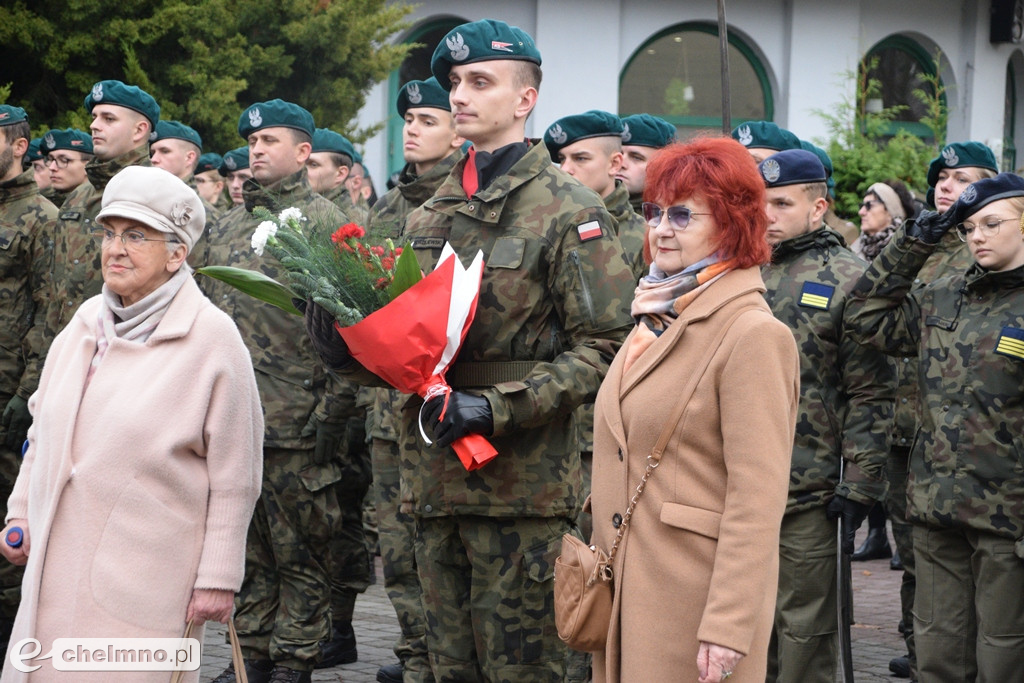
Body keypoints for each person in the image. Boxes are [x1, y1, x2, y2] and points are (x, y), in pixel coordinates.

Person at [306, 19, 636, 681]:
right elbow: (408, 349)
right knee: (445, 666)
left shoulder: (570, 208)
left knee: (525, 668)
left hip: (523, 492)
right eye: (455, 82)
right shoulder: (428, 214)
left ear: (524, 100)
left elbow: (606, 348)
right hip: (432, 485)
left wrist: (495, 407)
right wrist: (342, 342)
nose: (459, 95)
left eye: (479, 81)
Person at [0, 165, 264, 682]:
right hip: (54, 570)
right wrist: (20, 513)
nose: (115, 248)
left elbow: (238, 474)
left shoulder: (212, 338)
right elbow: (41, 431)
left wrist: (218, 577)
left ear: (176, 254)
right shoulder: (81, 324)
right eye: (110, 233)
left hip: (147, 581)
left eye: (136, 236)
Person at [589, 136, 799, 683]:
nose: (660, 228)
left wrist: (730, 624)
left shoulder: (752, 333)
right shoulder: (656, 311)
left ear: (730, 222)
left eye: (682, 215)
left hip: (691, 602)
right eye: (653, 211)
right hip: (628, 588)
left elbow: (758, 498)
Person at [845, 172, 1024, 682]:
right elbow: (864, 317)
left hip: (1008, 520)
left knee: (1003, 655)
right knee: (938, 653)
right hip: (937, 508)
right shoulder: (942, 295)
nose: (978, 237)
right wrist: (914, 242)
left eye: (992, 223)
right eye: (968, 229)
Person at [203, 99, 355, 683]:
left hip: (298, 416)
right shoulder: (229, 226)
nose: (256, 150)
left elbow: (354, 332)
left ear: (302, 153)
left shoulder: (327, 224)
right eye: (252, 141)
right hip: (233, 417)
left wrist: (333, 416)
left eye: (270, 141)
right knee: (250, 549)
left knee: (303, 551)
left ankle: (296, 661)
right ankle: (257, 656)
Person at [758, 149, 895, 683]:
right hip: (733, 481)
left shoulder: (852, 278)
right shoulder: (734, 267)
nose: (767, 214)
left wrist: (861, 483)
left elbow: (873, 391)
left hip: (811, 488)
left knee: (804, 631)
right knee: (739, 623)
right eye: (760, 202)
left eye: (782, 204)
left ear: (818, 208)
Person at [880, 140, 998, 682]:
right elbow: (871, 318)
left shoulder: (983, 250)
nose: (947, 187)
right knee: (917, 560)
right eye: (942, 178)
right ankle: (920, 645)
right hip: (913, 434)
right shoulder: (922, 243)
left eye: (963, 177)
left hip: (981, 449)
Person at [364, 75, 464, 683]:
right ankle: (413, 655)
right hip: (387, 407)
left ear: (458, 130)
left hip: (445, 404)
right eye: (409, 121)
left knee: (440, 548)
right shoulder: (387, 208)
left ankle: (441, 658)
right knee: (396, 546)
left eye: (427, 120)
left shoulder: (464, 204)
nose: (412, 130)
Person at [0, 105, 58, 660]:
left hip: (7, 393)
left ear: (18, 145)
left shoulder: (41, 215)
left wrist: (29, 390)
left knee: (8, 528)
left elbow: (50, 310)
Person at [45, 79, 160, 346]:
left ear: (139, 130)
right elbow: (53, 291)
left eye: (108, 118)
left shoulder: (159, 195)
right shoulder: (78, 196)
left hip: (126, 353)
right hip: (67, 348)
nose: (94, 125)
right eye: (95, 117)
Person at [544, 109, 646, 281]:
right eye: (562, 159)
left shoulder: (645, 238)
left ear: (614, 164)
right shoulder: (547, 224)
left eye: (580, 158)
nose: (565, 169)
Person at [615, 113, 675, 212]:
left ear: (664, 167)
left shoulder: (672, 219)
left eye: (636, 157)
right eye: (617, 155)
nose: (621, 164)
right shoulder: (590, 206)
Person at [851, 180, 915, 262]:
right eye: (862, 205)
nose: (861, 212)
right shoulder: (852, 250)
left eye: (869, 205)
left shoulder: (906, 255)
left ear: (890, 212)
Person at [39, 128, 93, 207]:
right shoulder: (43, 205)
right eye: (50, 159)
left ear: (88, 166)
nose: (52, 167)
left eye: (64, 160)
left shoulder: (101, 205)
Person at [305, 128, 355, 211]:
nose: (302, 170)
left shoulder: (352, 219)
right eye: (300, 163)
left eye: (313, 165)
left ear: (340, 174)